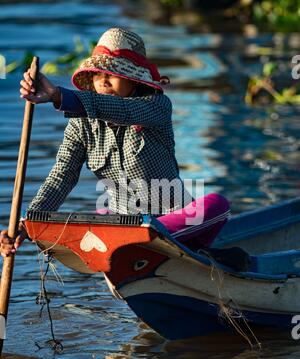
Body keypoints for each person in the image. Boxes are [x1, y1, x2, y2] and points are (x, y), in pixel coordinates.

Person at [0, 27, 229, 258]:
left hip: (173, 223)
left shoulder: (156, 106)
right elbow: (62, 177)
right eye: (98, 75)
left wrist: (59, 96)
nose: (104, 82)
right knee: (97, 215)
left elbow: (123, 110)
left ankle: (142, 243)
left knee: (216, 205)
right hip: (124, 226)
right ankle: (131, 243)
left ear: (135, 81)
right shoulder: (82, 124)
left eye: (114, 74)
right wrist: (26, 225)